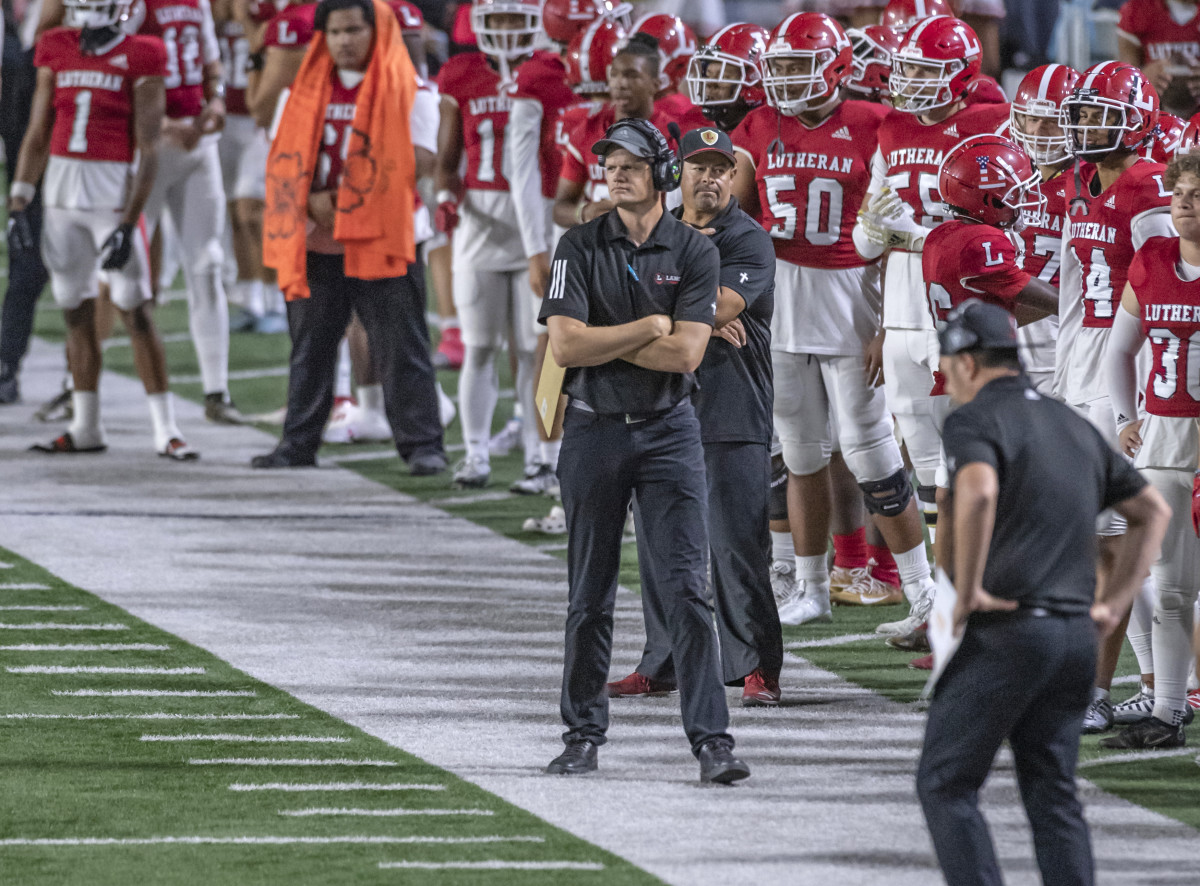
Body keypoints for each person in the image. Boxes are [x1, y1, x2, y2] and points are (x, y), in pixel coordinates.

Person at [917, 299, 1169, 886]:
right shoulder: (1069, 422)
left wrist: (970, 587)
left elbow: (977, 492)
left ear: (969, 363)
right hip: (1074, 637)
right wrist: (1112, 603)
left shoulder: (974, 419)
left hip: (1009, 631)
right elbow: (1150, 512)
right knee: (1052, 793)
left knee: (946, 784)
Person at [540, 117, 748, 784]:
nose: (616, 171)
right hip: (595, 428)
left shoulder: (693, 249)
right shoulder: (578, 243)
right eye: (609, 161)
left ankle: (713, 742)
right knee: (588, 595)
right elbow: (565, 347)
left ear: (660, 172)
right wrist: (646, 326)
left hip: (667, 430)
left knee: (689, 591)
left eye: (631, 161)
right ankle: (581, 735)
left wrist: (614, 335)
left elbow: (685, 353)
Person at [734, 12, 934, 628]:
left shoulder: (877, 125)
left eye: (801, 65)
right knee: (799, 454)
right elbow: (740, 226)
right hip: (783, 299)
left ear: (837, 66)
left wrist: (888, 321)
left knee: (870, 452)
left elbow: (899, 233)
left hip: (853, 298)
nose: (789, 79)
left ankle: (922, 589)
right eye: (782, 66)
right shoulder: (761, 124)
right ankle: (813, 586)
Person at [606, 126, 784, 707]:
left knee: (736, 546)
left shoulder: (750, 240)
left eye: (719, 168)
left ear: (733, 177)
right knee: (660, 547)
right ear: (676, 173)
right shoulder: (653, 229)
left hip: (732, 405)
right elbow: (609, 298)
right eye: (697, 166)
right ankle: (663, 662)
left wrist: (659, 309)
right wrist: (683, 315)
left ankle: (757, 668)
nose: (708, 177)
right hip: (658, 402)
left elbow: (722, 306)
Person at [255, 0, 446, 474]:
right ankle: (298, 443)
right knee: (310, 347)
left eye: (354, 30)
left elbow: (421, 160)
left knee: (401, 346)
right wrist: (307, 200)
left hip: (383, 237)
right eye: (335, 32)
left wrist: (344, 201)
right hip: (318, 238)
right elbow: (282, 160)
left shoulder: (411, 89)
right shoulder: (299, 92)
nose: (344, 41)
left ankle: (423, 445)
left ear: (376, 31)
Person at [852, 15, 1008, 587]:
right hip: (900, 312)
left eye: (926, 69)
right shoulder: (892, 128)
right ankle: (942, 602)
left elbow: (995, 226)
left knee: (966, 460)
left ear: (961, 74)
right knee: (924, 462)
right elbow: (865, 239)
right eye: (908, 67)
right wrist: (896, 231)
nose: (911, 79)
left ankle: (982, 591)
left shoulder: (994, 123)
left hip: (959, 311)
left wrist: (913, 233)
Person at [8, 0, 197, 459]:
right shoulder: (54, 46)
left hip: (112, 196)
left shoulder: (144, 52)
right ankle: (85, 425)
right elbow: (38, 131)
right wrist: (19, 199)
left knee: (135, 310)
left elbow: (148, 148)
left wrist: (130, 222)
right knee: (74, 311)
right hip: (61, 198)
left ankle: (166, 428)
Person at [1057, 61, 1177, 734]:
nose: (1085, 126)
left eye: (1100, 113)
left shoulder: (1149, 189)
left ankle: (1129, 690)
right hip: (1085, 376)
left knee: (1125, 545)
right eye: (1083, 112)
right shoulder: (1087, 183)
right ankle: (1152, 684)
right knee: (1107, 546)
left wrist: (1141, 402)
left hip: (1124, 382)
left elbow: (1169, 298)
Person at [1104, 150, 1200, 748]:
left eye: (1197, 193)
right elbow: (1120, 350)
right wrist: (1124, 417)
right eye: (1180, 191)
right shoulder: (1153, 258)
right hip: (1165, 441)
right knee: (1169, 585)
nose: (1184, 202)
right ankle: (1168, 711)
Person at [434, 0, 550, 490]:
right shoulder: (460, 73)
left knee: (532, 348)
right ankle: (476, 454)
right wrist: (444, 195)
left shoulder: (550, 73)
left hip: (537, 220)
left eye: (513, 18)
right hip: (480, 220)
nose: (504, 29)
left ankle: (539, 453)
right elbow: (447, 157)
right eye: (496, 18)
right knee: (480, 346)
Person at [129, 0, 246, 424]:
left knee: (208, 263)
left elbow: (211, 64)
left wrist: (214, 104)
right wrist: (154, 125)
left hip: (198, 146)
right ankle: (76, 385)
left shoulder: (196, 3)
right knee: (123, 271)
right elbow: (113, 68)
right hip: (148, 151)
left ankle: (217, 390)